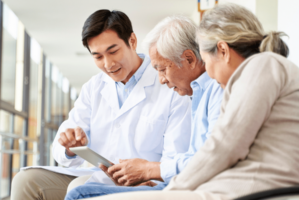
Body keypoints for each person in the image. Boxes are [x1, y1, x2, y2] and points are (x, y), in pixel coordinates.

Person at [80, 3, 299, 200]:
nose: (208, 73)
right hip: (232, 185)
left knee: (84, 194)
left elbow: (224, 148)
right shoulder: (257, 71)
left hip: (252, 188)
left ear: (222, 50)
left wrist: (170, 190)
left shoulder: (262, 66)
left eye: (205, 60)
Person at [10, 10, 192, 200]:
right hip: (100, 176)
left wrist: (150, 174)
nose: (108, 64)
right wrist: (70, 147)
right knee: (26, 181)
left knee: (78, 187)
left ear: (132, 41)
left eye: (113, 51)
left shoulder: (169, 83)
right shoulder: (94, 88)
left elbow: (177, 156)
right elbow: (62, 148)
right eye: (98, 57)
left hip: (147, 182)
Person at [65, 16, 224, 200]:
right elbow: (192, 157)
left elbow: (208, 160)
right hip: (173, 182)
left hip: (188, 187)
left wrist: (149, 170)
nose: (161, 79)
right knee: (77, 187)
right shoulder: (197, 93)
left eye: (163, 69)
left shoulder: (214, 90)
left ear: (189, 59)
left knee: (80, 194)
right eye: (98, 56)